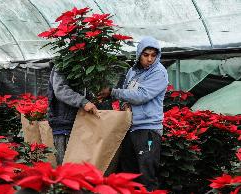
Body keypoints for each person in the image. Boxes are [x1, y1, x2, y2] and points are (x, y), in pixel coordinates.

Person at [98, 36, 169, 191]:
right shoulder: (132, 71)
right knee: (128, 173)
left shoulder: (159, 72)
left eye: (153, 55)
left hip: (148, 130)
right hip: (130, 127)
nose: (150, 59)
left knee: (146, 174)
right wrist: (124, 105)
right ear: (139, 54)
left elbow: (141, 96)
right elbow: (127, 92)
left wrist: (112, 92)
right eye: (146, 55)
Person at [47, 65, 98, 165]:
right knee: (67, 167)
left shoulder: (88, 64)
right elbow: (60, 89)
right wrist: (83, 102)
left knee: (83, 167)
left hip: (82, 124)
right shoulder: (62, 65)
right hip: (65, 124)